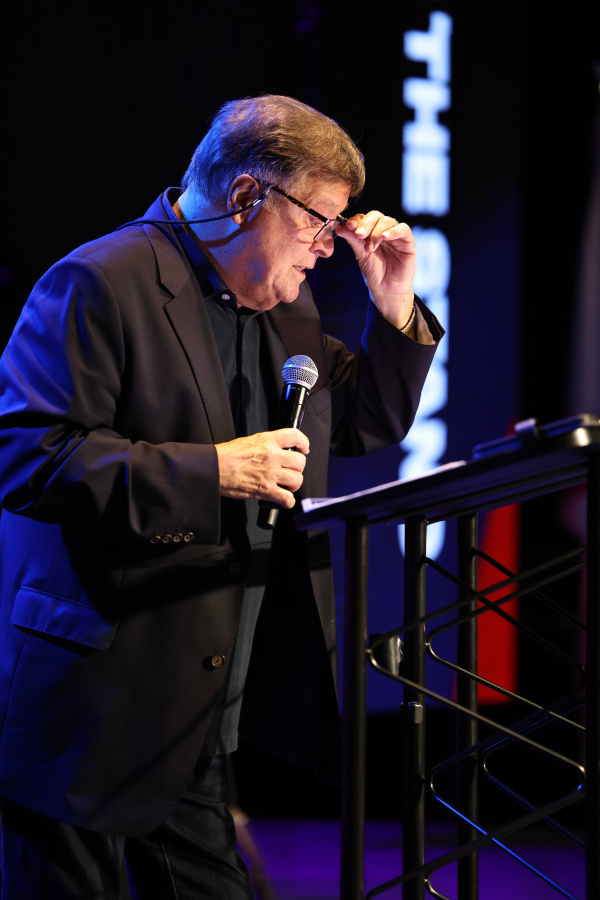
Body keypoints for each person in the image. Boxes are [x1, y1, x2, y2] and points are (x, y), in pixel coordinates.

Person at [0, 94, 443, 898]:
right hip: (89, 708)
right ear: (245, 198)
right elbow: (29, 457)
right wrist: (214, 471)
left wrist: (395, 303)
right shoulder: (99, 280)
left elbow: (362, 420)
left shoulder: (283, 303)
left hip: (195, 706)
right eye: (319, 223)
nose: (327, 249)